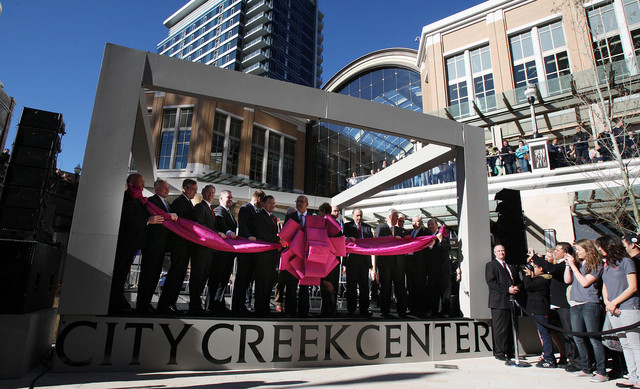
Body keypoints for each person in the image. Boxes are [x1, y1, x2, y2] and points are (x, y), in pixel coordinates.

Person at [109, 174, 165, 314]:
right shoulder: (128, 197)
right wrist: (147, 221)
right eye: (140, 184)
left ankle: (118, 299)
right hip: (125, 242)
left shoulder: (139, 199)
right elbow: (127, 219)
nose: (142, 186)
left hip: (134, 244)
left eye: (143, 184)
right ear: (131, 182)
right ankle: (114, 302)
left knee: (123, 273)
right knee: (119, 273)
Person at [597, 235, 640, 387]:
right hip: (612, 309)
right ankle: (633, 377)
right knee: (625, 345)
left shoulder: (627, 262)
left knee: (635, 344)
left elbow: (633, 287)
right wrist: (608, 302)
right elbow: (605, 285)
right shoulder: (607, 264)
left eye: (601, 246)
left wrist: (615, 302)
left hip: (628, 307)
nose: (599, 249)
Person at [564, 239, 606, 382]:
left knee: (593, 338)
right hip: (575, 304)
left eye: (579, 250)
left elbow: (585, 282)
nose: (577, 252)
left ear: (588, 250)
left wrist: (573, 266)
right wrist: (568, 266)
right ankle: (586, 367)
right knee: (578, 337)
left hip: (590, 304)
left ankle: (601, 371)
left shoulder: (596, 264)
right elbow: (567, 280)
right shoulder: (578, 264)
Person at [157, 179, 198, 315]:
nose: (195, 192)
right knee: (175, 274)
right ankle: (165, 304)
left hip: (185, 245)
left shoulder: (188, 203)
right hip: (179, 245)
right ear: (185, 189)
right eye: (193, 189)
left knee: (179, 275)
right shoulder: (179, 202)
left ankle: (171, 303)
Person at [136, 179, 178, 314]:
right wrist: (149, 221)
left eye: (168, 188)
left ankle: (147, 303)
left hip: (162, 247)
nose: (167, 190)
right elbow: (142, 219)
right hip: (151, 245)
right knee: (147, 276)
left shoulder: (167, 204)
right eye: (164, 188)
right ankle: (141, 306)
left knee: (154, 277)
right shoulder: (150, 202)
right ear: (157, 188)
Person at [537, 243, 580, 372]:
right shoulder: (559, 265)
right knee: (561, 333)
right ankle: (567, 356)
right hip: (554, 304)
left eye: (557, 250)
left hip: (563, 304)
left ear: (565, 252)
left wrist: (535, 257)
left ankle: (576, 360)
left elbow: (553, 269)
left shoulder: (564, 265)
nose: (555, 252)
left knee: (569, 333)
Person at [189, 185, 227, 315]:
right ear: (203, 193)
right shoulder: (200, 207)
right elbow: (200, 226)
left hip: (208, 251)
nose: (211, 195)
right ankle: (194, 306)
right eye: (208, 192)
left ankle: (197, 305)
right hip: (200, 250)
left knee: (203, 278)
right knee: (197, 277)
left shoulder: (210, 208)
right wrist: (217, 233)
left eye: (213, 193)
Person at [251, 195, 288, 317]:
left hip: (271, 257)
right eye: (270, 203)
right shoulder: (259, 216)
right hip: (262, 257)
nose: (273, 205)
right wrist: (279, 240)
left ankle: (265, 308)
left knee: (268, 284)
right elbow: (262, 234)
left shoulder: (272, 218)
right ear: (263, 203)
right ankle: (260, 310)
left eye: (274, 202)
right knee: (262, 284)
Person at [485, 245, 521, 361]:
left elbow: (518, 280)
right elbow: (491, 282)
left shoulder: (511, 266)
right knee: (500, 328)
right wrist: (507, 289)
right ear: (494, 253)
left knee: (512, 327)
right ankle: (500, 352)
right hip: (499, 301)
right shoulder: (491, 265)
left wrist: (516, 288)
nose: (501, 252)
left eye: (503, 250)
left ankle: (511, 352)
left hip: (512, 301)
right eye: (499, 251)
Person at [232, 190, 265, 315]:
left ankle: (243, 305)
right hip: (246, 250)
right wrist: (249, 236)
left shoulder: (258, 211)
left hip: (254, 252)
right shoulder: (246, 208)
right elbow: (243, 226)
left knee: (248, 280)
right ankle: (236, 306)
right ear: (259, 199)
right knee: (241, 279)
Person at [523, 258, 556, 368]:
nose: (533, 269)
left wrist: (528, 275)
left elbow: (528, 286)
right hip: (536, 310)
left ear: (541, 269)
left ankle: (550, 358)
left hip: (541, 310)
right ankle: (546, 355)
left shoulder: (544, 279)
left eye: (535, 267)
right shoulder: (539, 278)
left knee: (545, 334)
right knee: (542, 334)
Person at [282, 195, 311, 317]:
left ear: (307, 204)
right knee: (291, 284)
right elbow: (285, 234)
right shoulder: (290, 217)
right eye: (297, 201)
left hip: (307, 256)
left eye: (302, 202)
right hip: (293, 255)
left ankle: (304, 312)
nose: (299, 203)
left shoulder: (312, 218)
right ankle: (290, 311)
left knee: (305, 285)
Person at [375, 208, 407, 318]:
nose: (397, 218)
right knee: (385, 288)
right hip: (385, 263)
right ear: (390, 217)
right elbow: (377, 243)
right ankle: (385, 311)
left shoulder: (400, 230)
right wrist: (390, 239)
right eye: (396, 216)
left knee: (400, 288)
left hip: (398, 264)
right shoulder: (381, 227)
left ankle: (401, 311)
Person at [343, 208, 373, 317]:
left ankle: (364, 309)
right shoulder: (347, 226)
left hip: (364, 261)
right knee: (351, 286)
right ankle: (351, 309)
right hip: (351, 260)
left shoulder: (367, 227)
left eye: (360, 215)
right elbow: (342, 240)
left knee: (364, 287)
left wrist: (371, 265)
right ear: (353, 216)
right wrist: (349, 238)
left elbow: (371, 244)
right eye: (357, 215)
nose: (359, 217)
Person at [211, 189, 237, 314]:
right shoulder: (218, 211)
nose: (230, 199)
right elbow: (220, 222)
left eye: (231, 197)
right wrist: (227, 232)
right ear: (221, 198)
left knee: (224, 279)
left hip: (228, 253)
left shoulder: (229, 213)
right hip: (220, 253)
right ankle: (212, 306)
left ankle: (219, 304)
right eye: (228, 197)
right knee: (216, 279)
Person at [319, 204, 342, 317]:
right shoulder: (335, 223)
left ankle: (331, 309)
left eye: (319, 211)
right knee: (325, 283)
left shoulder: (326, 222)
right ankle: (327, 309)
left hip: (328, 258)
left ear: (323, 211)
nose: (318, 214)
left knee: (327, 283)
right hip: (332, 258)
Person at [426, 218, 452, 317]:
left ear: (437, 225)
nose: (430, 226)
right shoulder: (428, 237)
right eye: (428, 225)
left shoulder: (444, 235)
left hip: (444, 270)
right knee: (433, 292)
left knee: (445, 292)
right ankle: (434, 312)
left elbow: (447, 248)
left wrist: (440, 240)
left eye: (432, 224)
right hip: (432, 270)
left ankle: (446, 312)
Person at [406, 215, 429, 317]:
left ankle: (421, 309)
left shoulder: (425, 232)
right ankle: (412, 309)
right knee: (411, 287)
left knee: (420, 288)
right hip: (410, 265)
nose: (415, 223)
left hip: (420, 265)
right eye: (414, 222)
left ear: (421, 222)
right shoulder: (409, 233)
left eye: (417, 222)